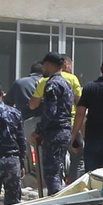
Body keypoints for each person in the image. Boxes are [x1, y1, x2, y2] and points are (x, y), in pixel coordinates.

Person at [29, 53, 79, 195]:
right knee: (58, 171)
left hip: (54, 133)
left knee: (51, 174)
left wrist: (39, 131)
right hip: (64, 131)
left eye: (44, 66)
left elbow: (50, 111)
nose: (42, 69)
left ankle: (55, 204)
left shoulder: (52, 84)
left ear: (49, 65)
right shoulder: (67, 84)